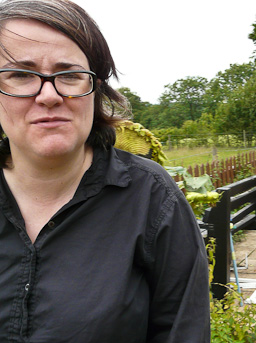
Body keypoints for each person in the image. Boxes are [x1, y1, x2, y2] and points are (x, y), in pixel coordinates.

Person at [0, 0, 210, 342]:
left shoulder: (153, 201)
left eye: (69, 74)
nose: (49, 95)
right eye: (21, 74)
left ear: (96, 88)